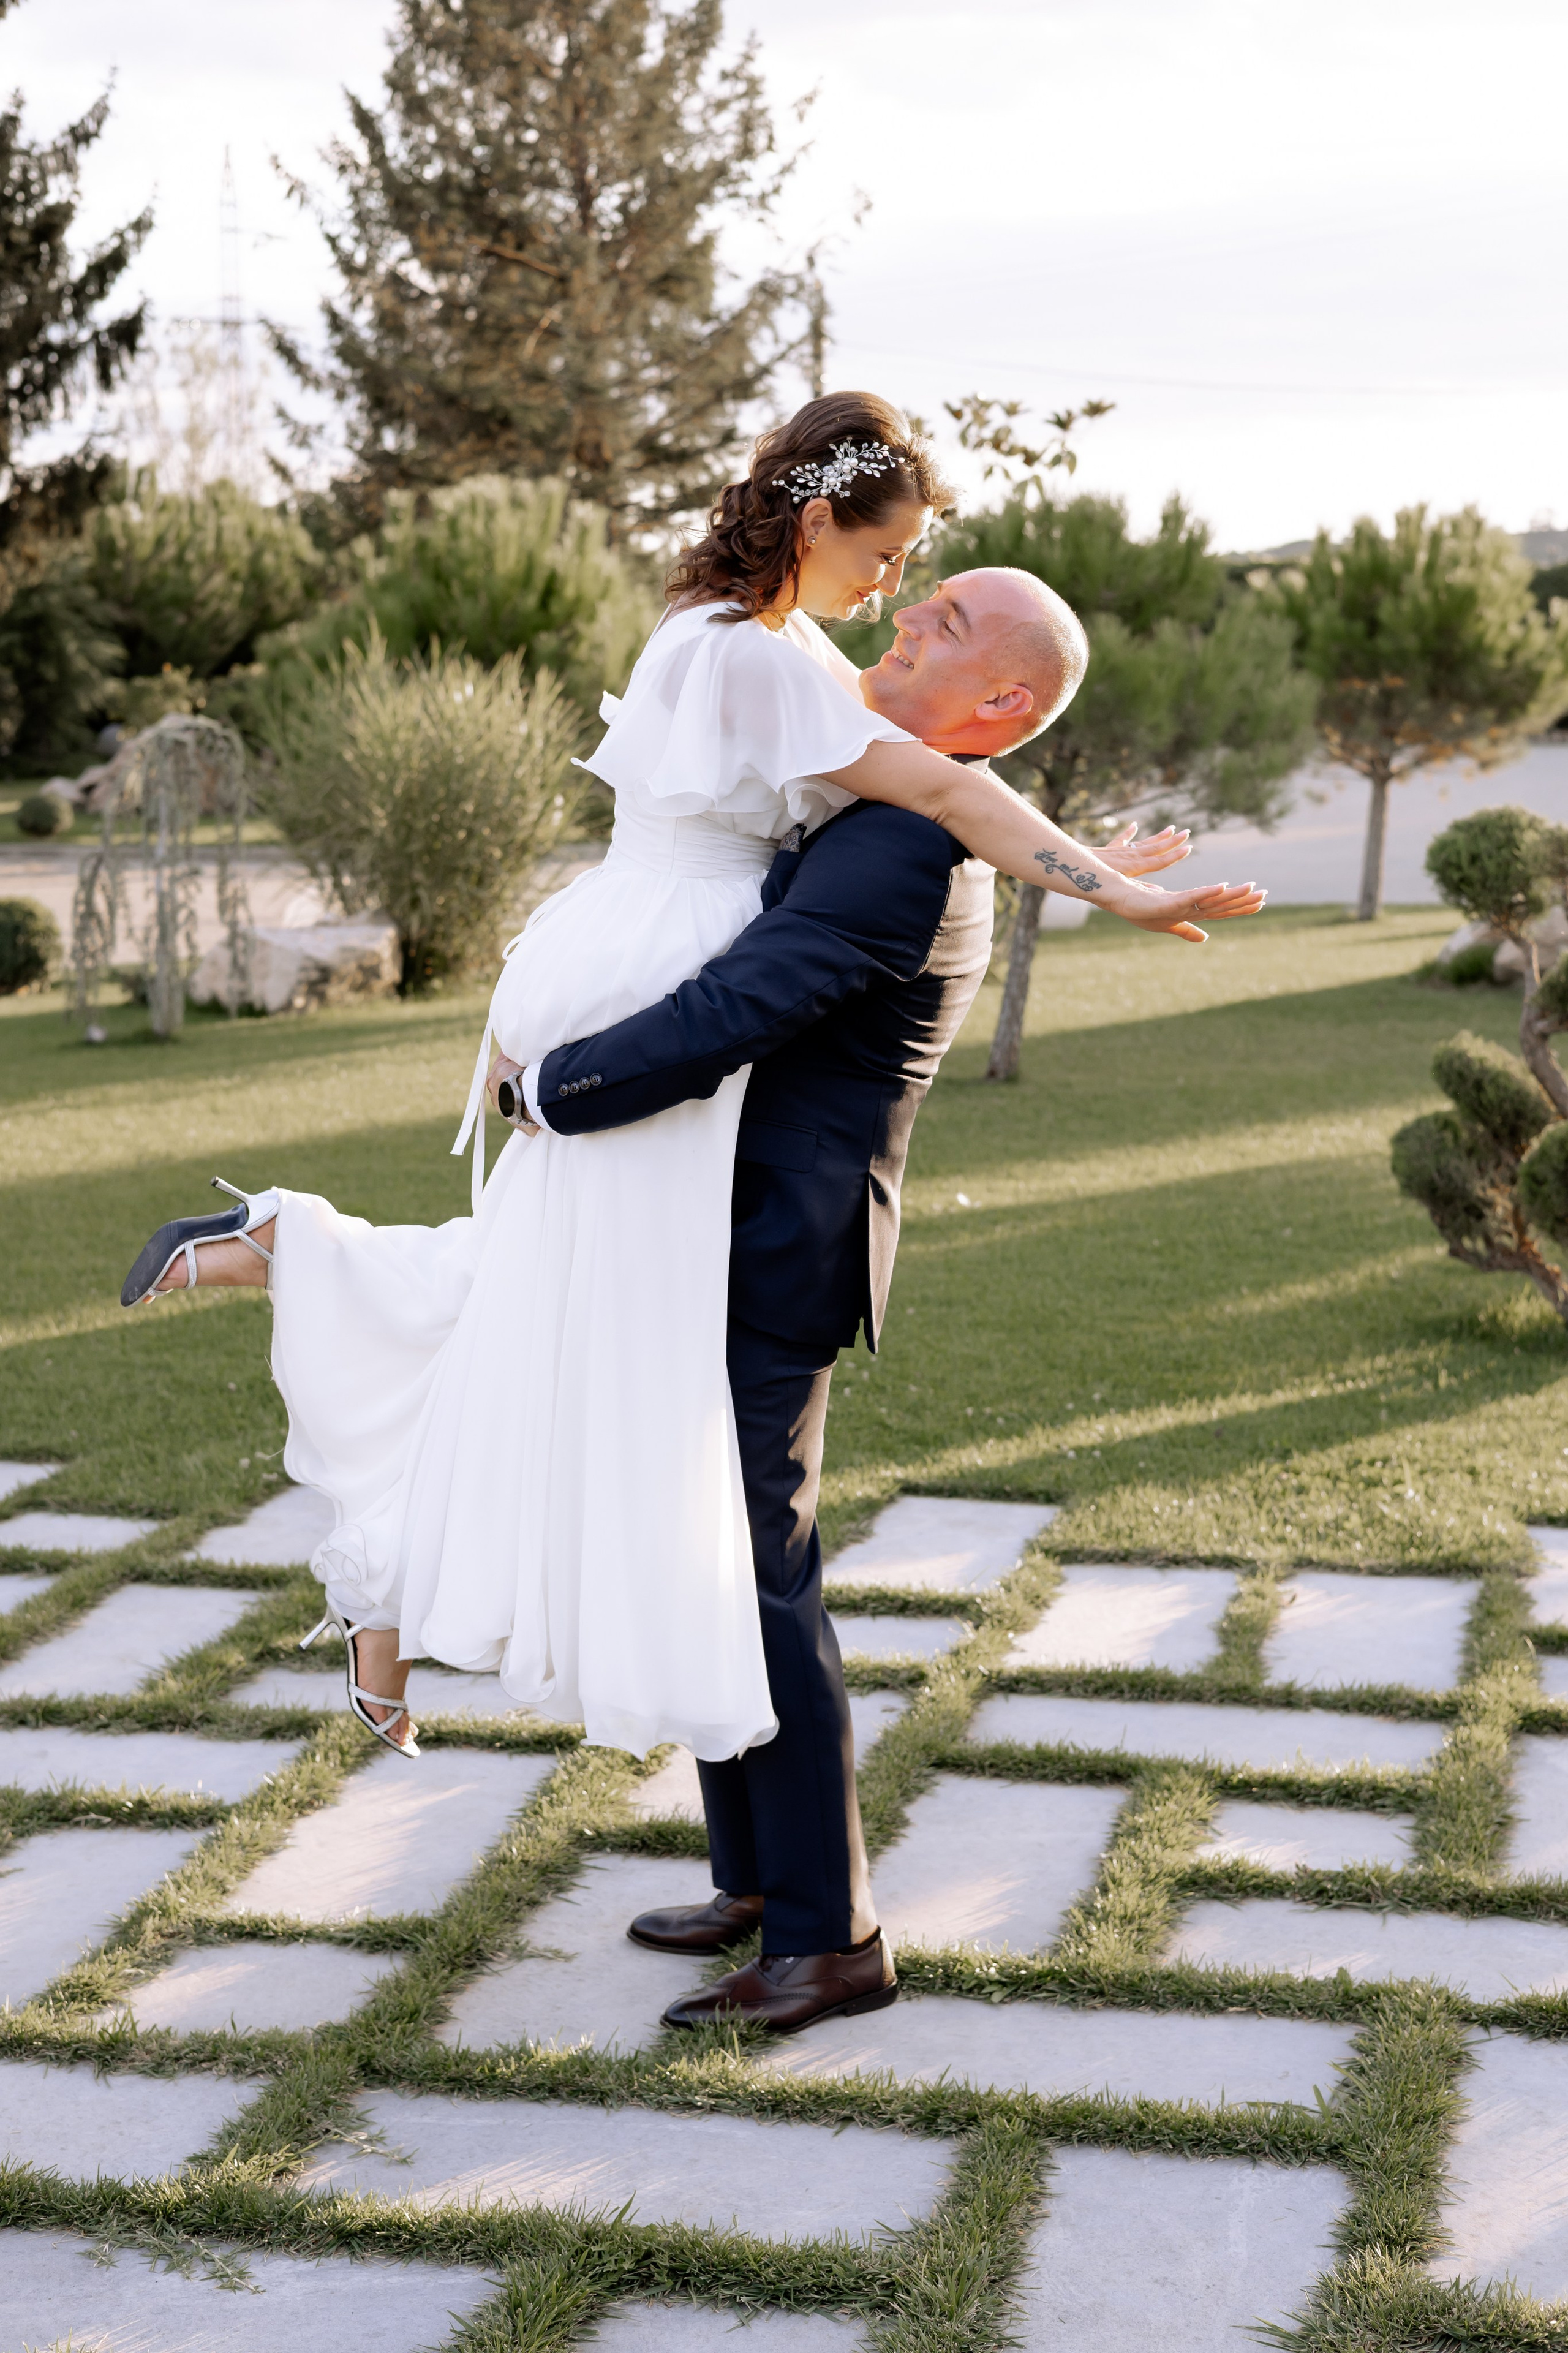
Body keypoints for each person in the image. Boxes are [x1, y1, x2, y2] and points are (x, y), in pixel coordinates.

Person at [119, 391, 1261, 1800]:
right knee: (575, 1328)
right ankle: (375, 1539)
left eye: (920, 581)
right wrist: (1125, 890)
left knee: (552, 1306)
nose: (895, 591)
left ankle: (370, 1532)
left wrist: (1076, 851)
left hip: (617, 950)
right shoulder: (765, 661)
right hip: (659, 985)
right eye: (893, 556)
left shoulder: (737, 637)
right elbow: (958, 795)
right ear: (819, 518)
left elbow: (954, 772)